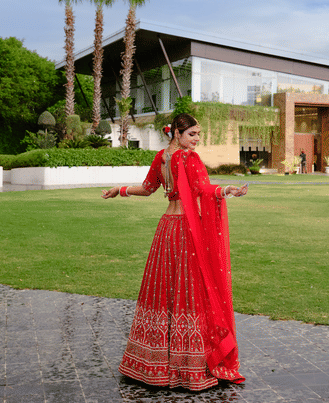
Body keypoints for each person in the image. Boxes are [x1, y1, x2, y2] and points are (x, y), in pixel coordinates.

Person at [102, 113, 247, 390]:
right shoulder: (188, 158)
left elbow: (147, 189)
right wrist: (226, 190)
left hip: (166, 229)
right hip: (186, 231)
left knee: (164, 292)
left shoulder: (162, 157)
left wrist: (118, 189)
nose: (196, 139)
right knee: (188, 293)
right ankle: (187, 366)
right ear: (177, 134)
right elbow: (204, 190)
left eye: (198, 134)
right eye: (192, 134)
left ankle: (151, 362)